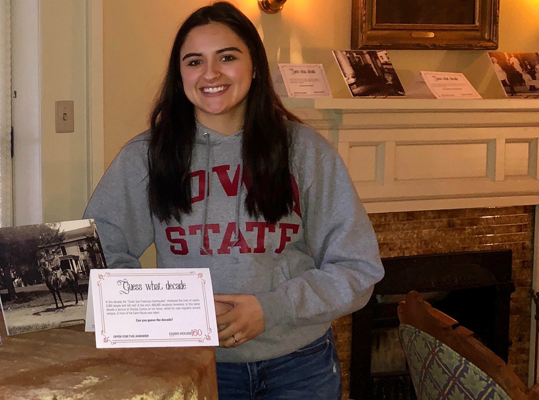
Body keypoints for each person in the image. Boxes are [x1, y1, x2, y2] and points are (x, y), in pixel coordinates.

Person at [83, 2, 384, 399]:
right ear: (179, 75)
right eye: (194, 61)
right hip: (193, 367)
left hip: (298, 368)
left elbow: (358, 269)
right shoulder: (146, 157)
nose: (210, 73)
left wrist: (274, 308)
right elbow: (101, 252)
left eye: (227, 57)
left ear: (255, 66)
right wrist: (158, 311)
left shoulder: (305, 152)